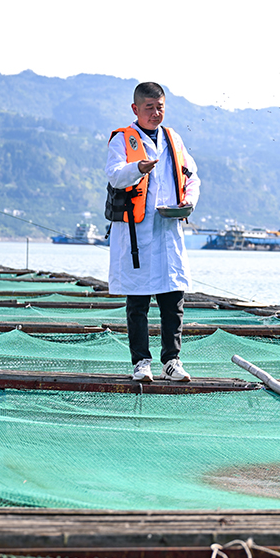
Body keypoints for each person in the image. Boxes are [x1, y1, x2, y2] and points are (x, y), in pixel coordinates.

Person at [105, 82, 200, 382]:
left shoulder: (173, 138)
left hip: (168, 228)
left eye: (160, 107)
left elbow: (192, 176)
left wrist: (189, 201)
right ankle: (141, 362)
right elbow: (114, 176)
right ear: (135, 109)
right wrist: (139, 169)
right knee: (138, 302)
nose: (156, 113)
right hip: (137, 233)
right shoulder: (122, 140)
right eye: (149, 108)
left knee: (173, 299)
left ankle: (171, 361)